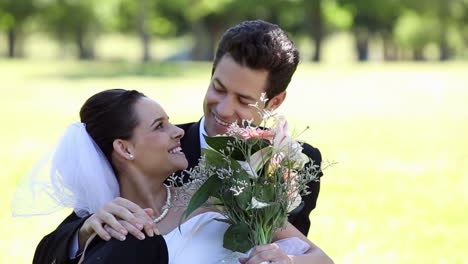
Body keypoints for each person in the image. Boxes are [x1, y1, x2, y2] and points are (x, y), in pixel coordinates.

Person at [33, 20, 324, 263]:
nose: (222, 109)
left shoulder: (292, 162)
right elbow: (60, 243)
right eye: (218, 88)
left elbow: (299, 250)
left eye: (243, 100)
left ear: (275, 102)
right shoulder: (161, 152)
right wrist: (82, 232)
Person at [31, 89, 332, 264]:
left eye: (170, 122)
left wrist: (288, 261)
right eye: (159, 126)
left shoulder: (223, 193)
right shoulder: (104, 225)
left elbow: (322, 259)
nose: (178, 132)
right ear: (125, 148)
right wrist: (84, 235)